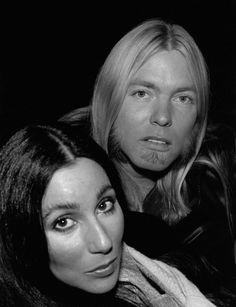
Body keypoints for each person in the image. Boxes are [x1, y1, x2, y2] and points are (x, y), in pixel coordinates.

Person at [60, 18, 236, 294]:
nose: (163, 117)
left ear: (198, 119)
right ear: (109, 100)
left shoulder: (217, 201)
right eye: (142, 93)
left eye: (182, 98)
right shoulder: (58, 187)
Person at [0, 122, 219, 307]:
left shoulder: (158, 253)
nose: (104, 242)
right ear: (21, 237)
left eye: (104, 205)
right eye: (64, 222)